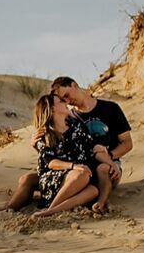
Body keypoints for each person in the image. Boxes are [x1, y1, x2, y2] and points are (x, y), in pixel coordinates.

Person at [0, 91, 102, 218]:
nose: (66, 102)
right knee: (80, 174)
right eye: (61, 101)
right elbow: (50, 162)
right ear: (52, 109)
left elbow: (90, 147)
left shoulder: (76, 125)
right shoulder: (45, 134)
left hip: (82, 174)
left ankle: (51, 211)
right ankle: (42, 208)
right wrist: (73, 166)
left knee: (93, 191)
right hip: (57, 176)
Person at [51, 76, 133, 214]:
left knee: (103, 168)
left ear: (74, 85)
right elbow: (56, 148)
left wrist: (110, 156)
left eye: (67, 95)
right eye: (63, 100)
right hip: (82, 168)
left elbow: (127, 143)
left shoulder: (110, 108)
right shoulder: (69, 118)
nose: (68, 101)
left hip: (108, 167)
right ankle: (54, 208)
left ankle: (101, 203)